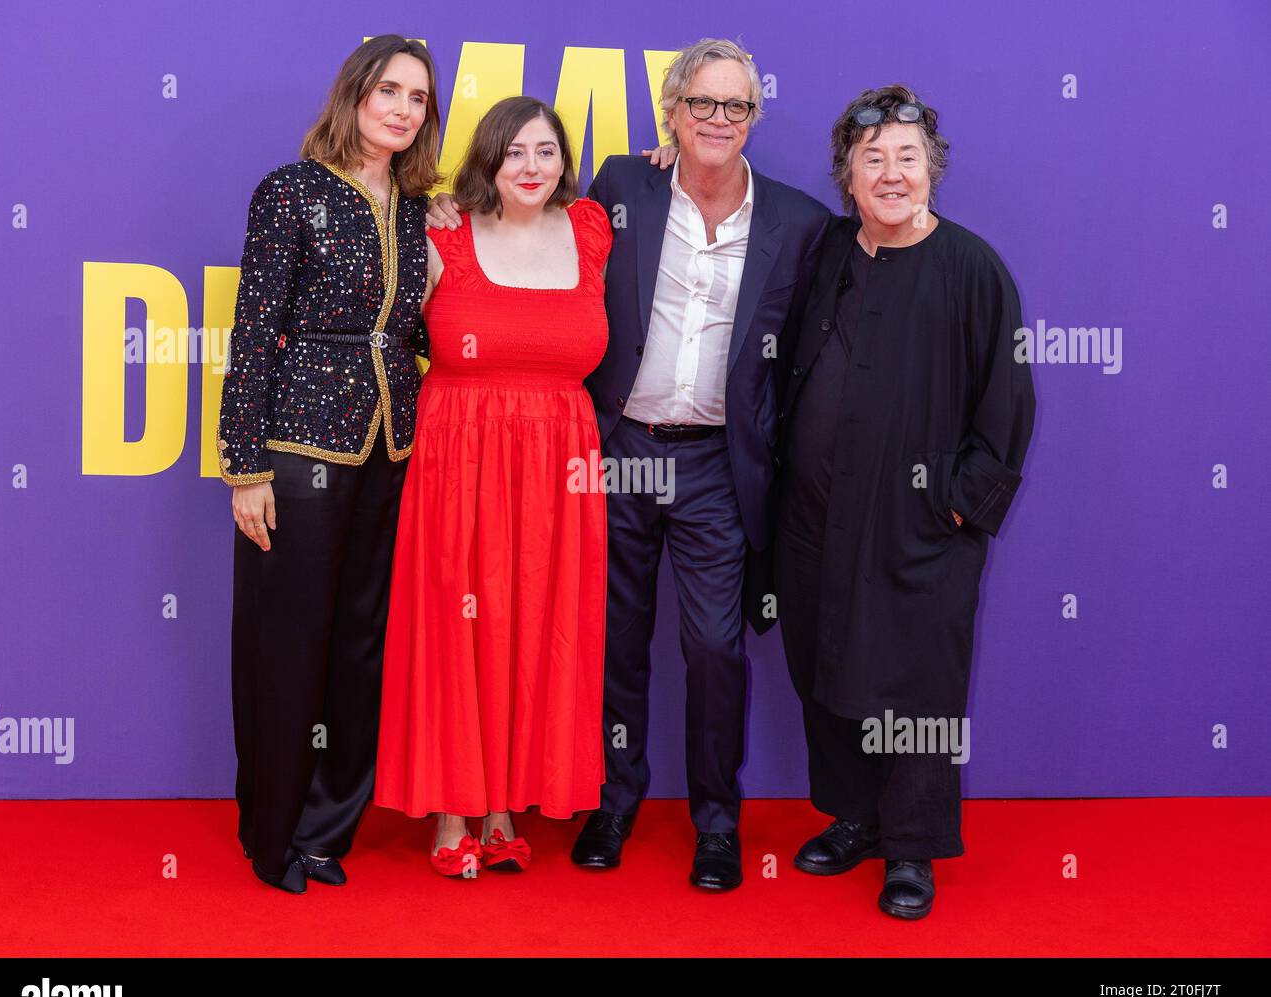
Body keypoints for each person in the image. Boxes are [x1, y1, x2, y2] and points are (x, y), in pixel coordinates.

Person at [569, 38, 828, 890]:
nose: (719, 120)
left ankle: (716, 822)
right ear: (671, 114)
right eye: (703, 104)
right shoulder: (621, 186)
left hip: (718, 463)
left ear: (754, 119)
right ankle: (613, 801)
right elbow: (525, 224)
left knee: (716, 647)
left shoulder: (798, 223)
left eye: (736, 106)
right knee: (616, 641)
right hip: (623, 451)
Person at [773, 85, 1036, 918]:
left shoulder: (973, 269)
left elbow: (1007, 405)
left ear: (933, 171)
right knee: (826, 665)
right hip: (815, 518)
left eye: (906, 158)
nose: (890, 174)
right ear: (847, 176)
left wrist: (958, 505)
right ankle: (856, 819)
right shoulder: (826, 256)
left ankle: (911, 850)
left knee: (916, 686)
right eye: (871, 158)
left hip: (921, 524)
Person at [217, 35, 439, 893]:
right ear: (352, 94)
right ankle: (272, 835)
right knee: (285, 642)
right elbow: (254, 329)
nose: (401, 108)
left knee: (360, 643)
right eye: (387, 89)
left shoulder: (423, 210)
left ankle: (328, 828)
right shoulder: (291, 192)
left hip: (391, 447)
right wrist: (245, 467)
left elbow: (420, 325)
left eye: (417, 98)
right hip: (299, 448)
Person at [374, 97, 614, 877]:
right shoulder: (441, 230)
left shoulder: (590, 230)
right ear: (487, 162)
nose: (532, 167)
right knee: (459, 621)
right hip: (460, 454)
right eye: (514, 153)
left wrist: (670, 155)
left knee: (537, 621)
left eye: (546, 152)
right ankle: (453, 808)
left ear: (563, 161)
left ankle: (507, 802)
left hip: (561, 463)